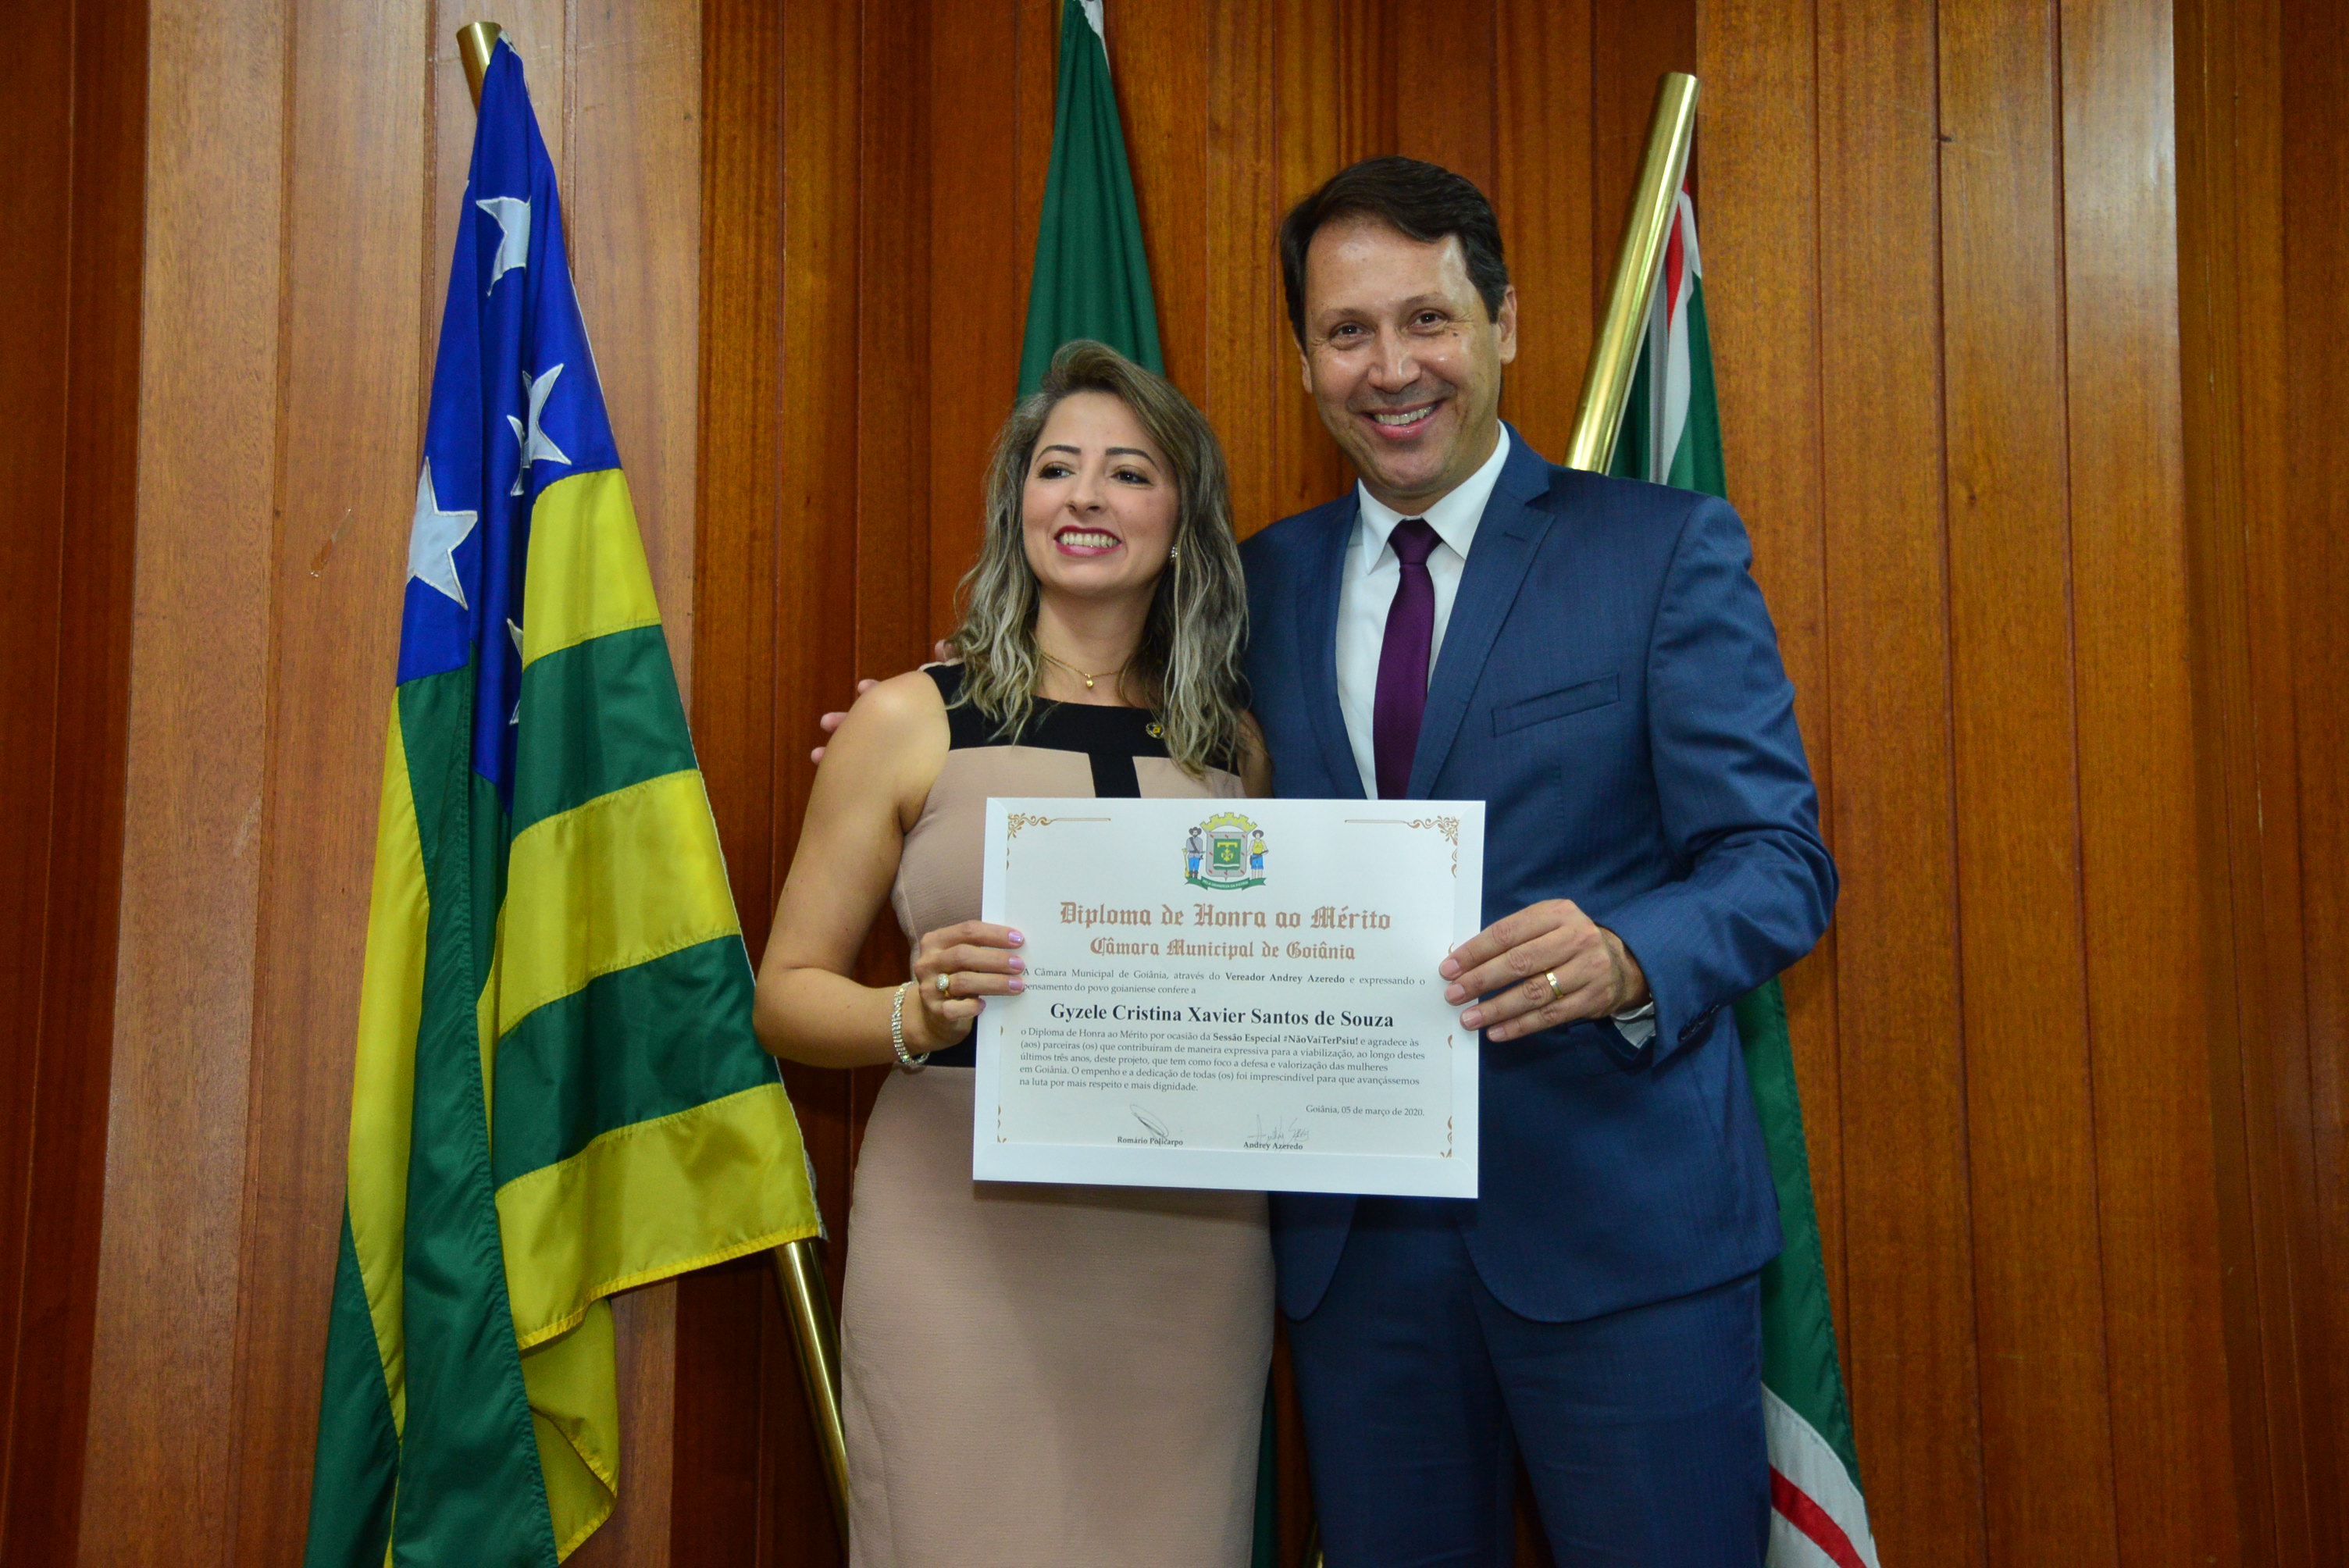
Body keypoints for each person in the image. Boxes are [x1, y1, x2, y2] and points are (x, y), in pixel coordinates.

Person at [1239, 157, 1836, 1565]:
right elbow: (1131, 748)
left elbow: (1777, 860)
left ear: (1502, 323)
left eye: (1428, 319)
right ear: (1306, 359)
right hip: (1356, 1261)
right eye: (1347, 331)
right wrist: (949, 728)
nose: (1392, 369)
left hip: (1626, 1238)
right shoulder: (1253, 583)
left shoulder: (1660, 551)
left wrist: (1630, 957)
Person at [754, 340, 1274, 1568]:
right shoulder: (907, 716)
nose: (1085, 495)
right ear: (1018, 505)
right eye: (1056, 468)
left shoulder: (1232, 749)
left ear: (1182, 522)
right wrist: (914, 1014)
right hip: (960, 1230)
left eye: (1128, 472)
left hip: (1191, 1251)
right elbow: (783, 996)